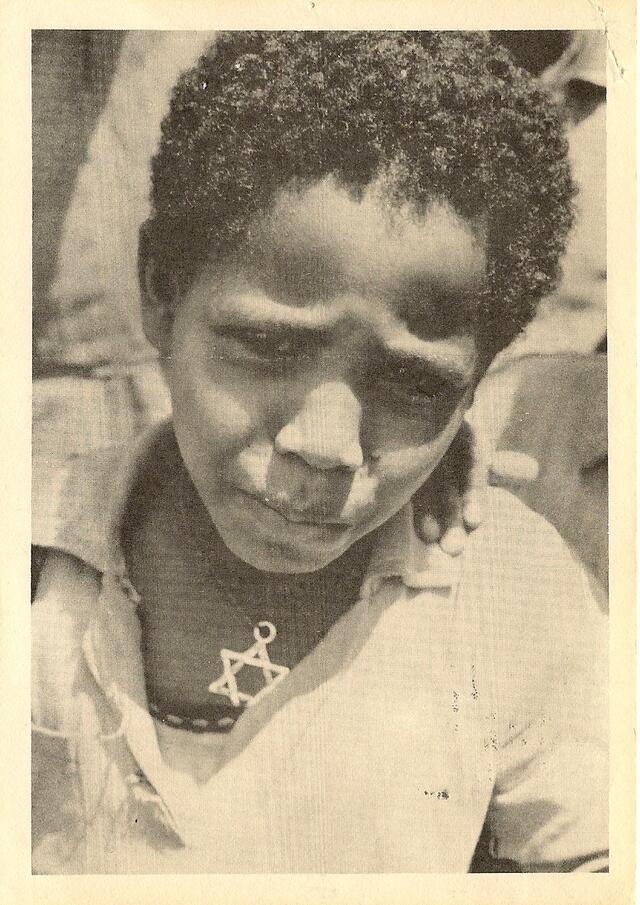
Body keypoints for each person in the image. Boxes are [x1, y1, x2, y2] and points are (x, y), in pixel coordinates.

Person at [31, 31, 607, 874]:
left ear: (477, 381)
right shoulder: (38, 558)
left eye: (414, 385)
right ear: (159, 291)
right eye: (266, 345)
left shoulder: (506, 595)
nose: (327, 447)